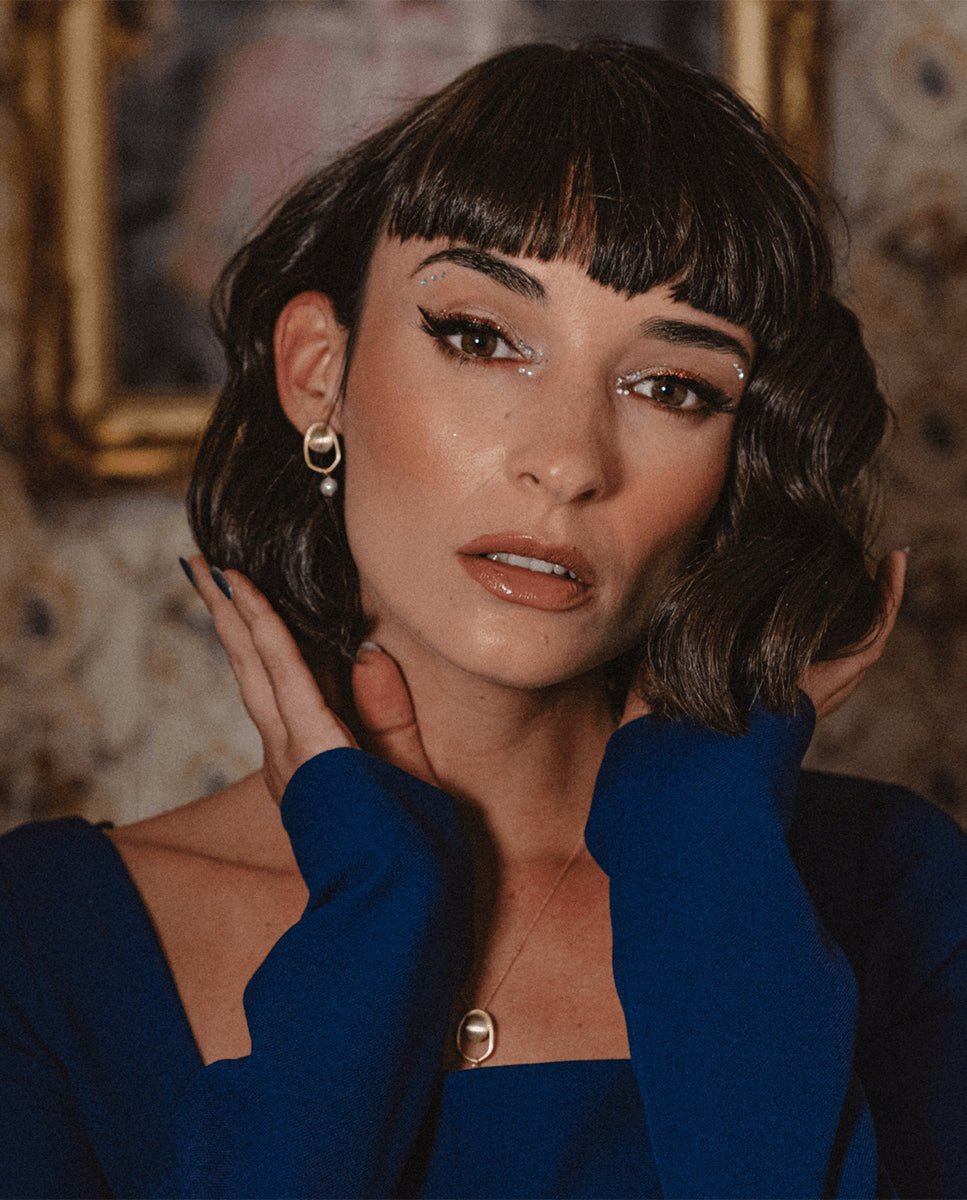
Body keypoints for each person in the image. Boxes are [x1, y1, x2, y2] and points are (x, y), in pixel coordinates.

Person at [1, 40, 964, 1199]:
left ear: (738, 464)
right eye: (481, 337)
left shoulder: (899, 898)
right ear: (317, 370)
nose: (567, 461)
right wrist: (379, 917)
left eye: (671, 387)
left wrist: (700, 845)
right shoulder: (47, 941)